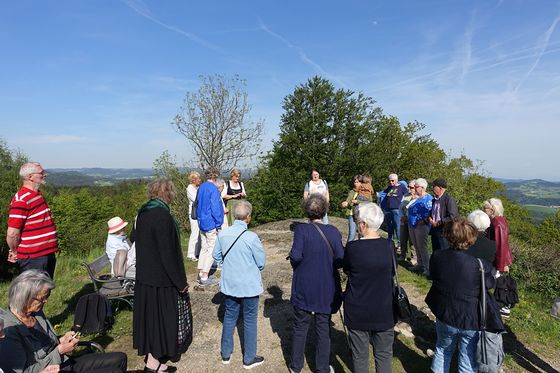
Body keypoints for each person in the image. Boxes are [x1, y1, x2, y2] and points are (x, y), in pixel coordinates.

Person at [0, 270, 127, 373]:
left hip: (65, 363)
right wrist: (60, 351)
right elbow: (27, 371)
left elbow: (46, 344)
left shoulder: (36, 313)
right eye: (43, 298)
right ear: (25, 298)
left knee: (120, 359)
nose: (46, 301)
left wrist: (61, 340)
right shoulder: (8, 331)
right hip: (54, 369)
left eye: (47, 296)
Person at [425, 217, 504, 373]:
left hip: (445, 312)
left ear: (447, 235)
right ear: (471, 238)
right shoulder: (480, 265)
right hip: (471, 318)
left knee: (442, 349)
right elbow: (490, 285)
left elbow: (433, 275)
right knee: (467, 357)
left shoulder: (438, 256)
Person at [133, 178, 191, 372]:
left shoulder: (143, 212)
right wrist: (180, 282)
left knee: (151, 323)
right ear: (168, 193)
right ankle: (152, 366)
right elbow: (167, 254)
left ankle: (155, 363)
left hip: (145, 277)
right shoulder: (162, 216)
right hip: (161, 280)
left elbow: (135, 238)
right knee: (161, 323)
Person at [289, 194, 343, 373]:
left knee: (300, 326)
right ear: (324, 210)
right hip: (325, 285)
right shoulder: (334, 231)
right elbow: (340, 259)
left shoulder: (301, 230)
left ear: (306, 211)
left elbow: (296, 256)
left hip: (304, 283)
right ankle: (322, 368)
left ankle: (296, 366)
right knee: (323, 327)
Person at [212, 200, 266, 369]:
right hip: (249, 284)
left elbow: (216, 256)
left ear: (235, 215)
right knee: (250, 319)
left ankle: (226, 354)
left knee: (229, 317)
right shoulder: (252, 237)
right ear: (248, 217)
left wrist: (228, 265)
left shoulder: (223, 234)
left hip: (230, 283)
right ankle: (249, 358)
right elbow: (261, 263)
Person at [343, 202, 396, 373]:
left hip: (358, 309)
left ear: (363, 224)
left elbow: (347, 269)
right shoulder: (389, 246)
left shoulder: (352, 248)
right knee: (384, 355)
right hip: (384, 308)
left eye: (357, 221)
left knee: (359, 357)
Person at [6, 162, 59, 279]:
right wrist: (15, 251)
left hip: (45, 254)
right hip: (34, 258)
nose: (45, 175)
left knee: (44, 291)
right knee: (34, 293)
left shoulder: (36, 195)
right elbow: (12, 233)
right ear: (30, 177)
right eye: (41, 173)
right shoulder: (21, 200)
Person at [483, 198, 513, 316]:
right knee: (496, 281)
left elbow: (500, 246)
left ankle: (502, 307)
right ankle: (497, 305)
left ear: (492, 210)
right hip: (498, 258)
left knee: (498, 282)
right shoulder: (497, 221)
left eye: (485, 208)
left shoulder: (497, 223)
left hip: (498, 259)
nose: (483, 210)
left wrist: (501, 265)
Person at [196, 168, 224, 286]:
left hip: (201, 221)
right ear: (215, 176)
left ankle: (201, 273)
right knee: (211, 248)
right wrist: (218, 224)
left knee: (204, 247)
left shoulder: (201, 187)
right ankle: (205, 275)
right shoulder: (213, 189)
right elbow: (216, 208)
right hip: (210, 222)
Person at [408, 178, 433, 276]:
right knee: (416, 246)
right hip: (412, 224)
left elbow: (431, 213)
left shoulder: (428, 198)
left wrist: (423, 221)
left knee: (422, 247)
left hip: (422, 226)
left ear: (422, 187)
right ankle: (420, 265)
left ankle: (426, 268)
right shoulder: (415, 197)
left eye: (416, 186)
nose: (414, 188)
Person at [428, 178, 459, 252]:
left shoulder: (449, 199)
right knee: (435, 252)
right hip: (435, 230)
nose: (432, 188)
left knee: (444, 252)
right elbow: (432, 213)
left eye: (434, 186)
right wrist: (430, 218)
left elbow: (453, 216)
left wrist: (439, 222)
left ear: (440, 188)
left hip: (444, 232)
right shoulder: (434, 200)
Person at [341, 175, 371, 243]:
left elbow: (369, 201)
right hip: (352, 214)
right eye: (355, 182)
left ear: (362, 183)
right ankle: (348, 250)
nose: (355, 184)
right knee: (351, 234)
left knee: (361, 234)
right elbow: (348, 200)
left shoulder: (366, 191)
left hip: (361, 215)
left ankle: (361, 249)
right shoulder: (352, 191)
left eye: (357, 182)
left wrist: (357, 201)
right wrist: (345, 203)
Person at [380, 173, 407, 249]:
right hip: (387, 209)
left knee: (397, 226)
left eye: (392, 181)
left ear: (396, 180)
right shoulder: (389, 188)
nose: (391, 182)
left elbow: (408, 194)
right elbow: (383, 194)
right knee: (389, 226)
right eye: (389, 181)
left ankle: (399, 244)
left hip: (396, 209)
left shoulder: (402, 187)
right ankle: (390, 242)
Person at [399, 179, 417, 262]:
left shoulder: (418, 197)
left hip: (412, 222)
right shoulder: (405, 195)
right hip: (403, 221)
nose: (409, 188)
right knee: (403, 239)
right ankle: (403, 255)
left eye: (411, 187)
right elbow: (401, 208)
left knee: (412, 240)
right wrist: (402, 217)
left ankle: (414, 258)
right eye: (408, 187)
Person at [186, 170, 202, 261]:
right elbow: (195, 199)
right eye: (198, 178)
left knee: (200, 234)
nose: (199, 180)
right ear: (193, 180)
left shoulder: (199, 188)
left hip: (200, 212)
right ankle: (191, 254)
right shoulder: (190, 188)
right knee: (195, 233)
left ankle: (197, 252)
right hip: (194, 213)